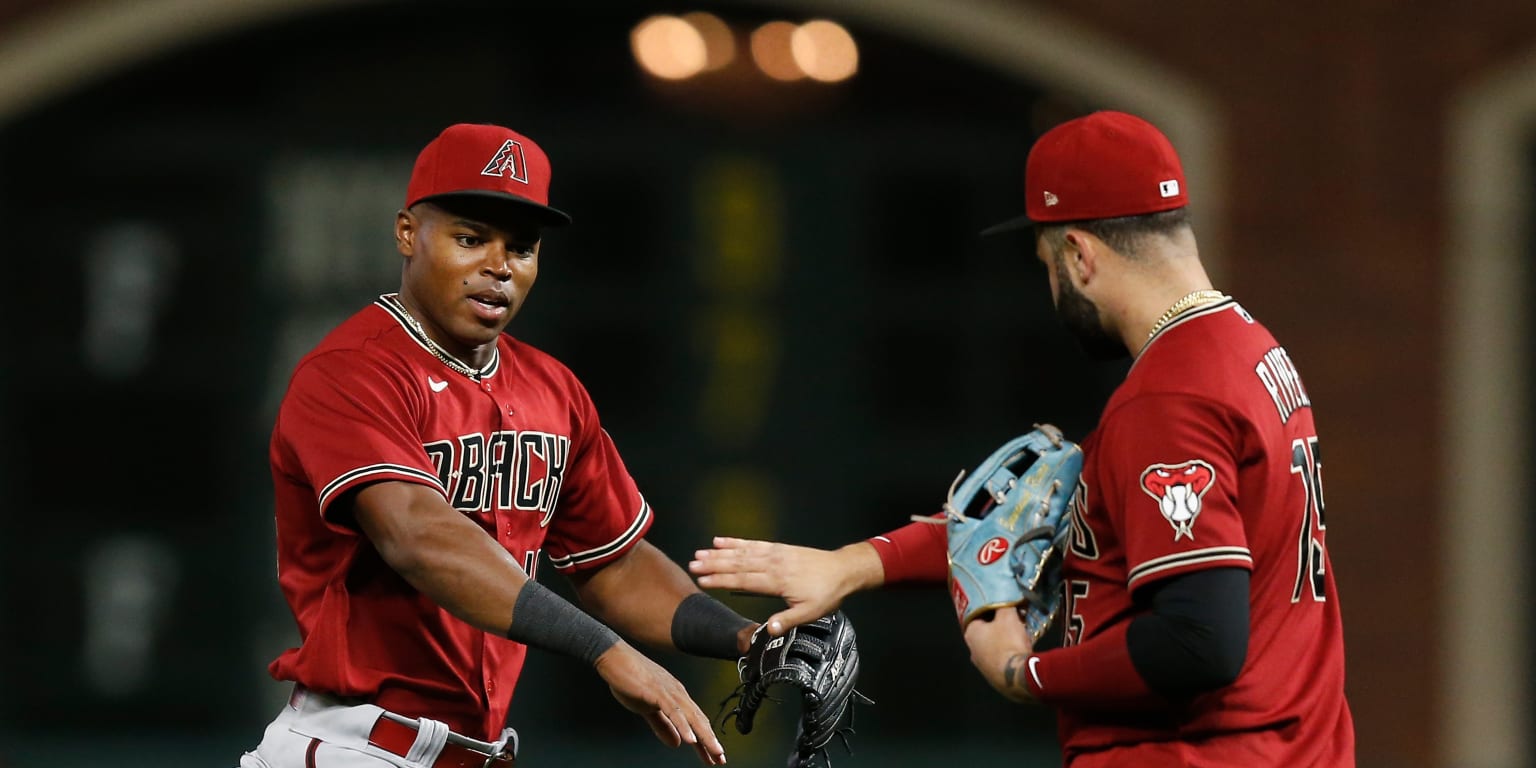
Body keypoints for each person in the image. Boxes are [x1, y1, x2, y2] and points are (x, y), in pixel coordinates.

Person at [690, 110, 1355, 766]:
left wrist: (1020, 670)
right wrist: (857, 564)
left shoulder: (1169, 395)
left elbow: (1199, 641)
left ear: (1079, 253)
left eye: (1046, 263)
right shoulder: (1248, 350)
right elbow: (1040, 510)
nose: (1051, 287)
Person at [240, 122, 760, 768]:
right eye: (470, 237)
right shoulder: (349, 371)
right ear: (407, 233)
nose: (498, 266)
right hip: (355, 746)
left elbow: (614, 567)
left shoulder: (553, 390)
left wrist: (746, 638)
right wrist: (605, 649)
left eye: (521, 247)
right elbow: (419, 535)